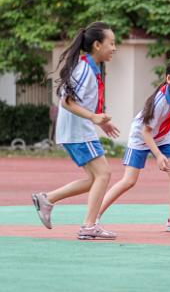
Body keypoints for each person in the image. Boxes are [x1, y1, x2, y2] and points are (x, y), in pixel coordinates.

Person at [32, 21, 120, 240]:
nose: (114, 48)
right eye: (112, 43)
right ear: (97, 45)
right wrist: (93, 118)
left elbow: (83, 101)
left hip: (77, 130)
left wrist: (100, 121)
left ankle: (47, 198)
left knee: (94, 179)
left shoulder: (91, 67)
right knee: (104, 174)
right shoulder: (84, 70)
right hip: (78, 131)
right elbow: (66, 102)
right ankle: (89, 226)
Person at [97, 57, 170, 233]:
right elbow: (146, 132)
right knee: (129, 181)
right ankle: (93, 217)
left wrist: (161, 146)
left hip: (163, 137)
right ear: (169, 79)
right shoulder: (160, 102)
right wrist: (158, 155)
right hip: (141, 137)